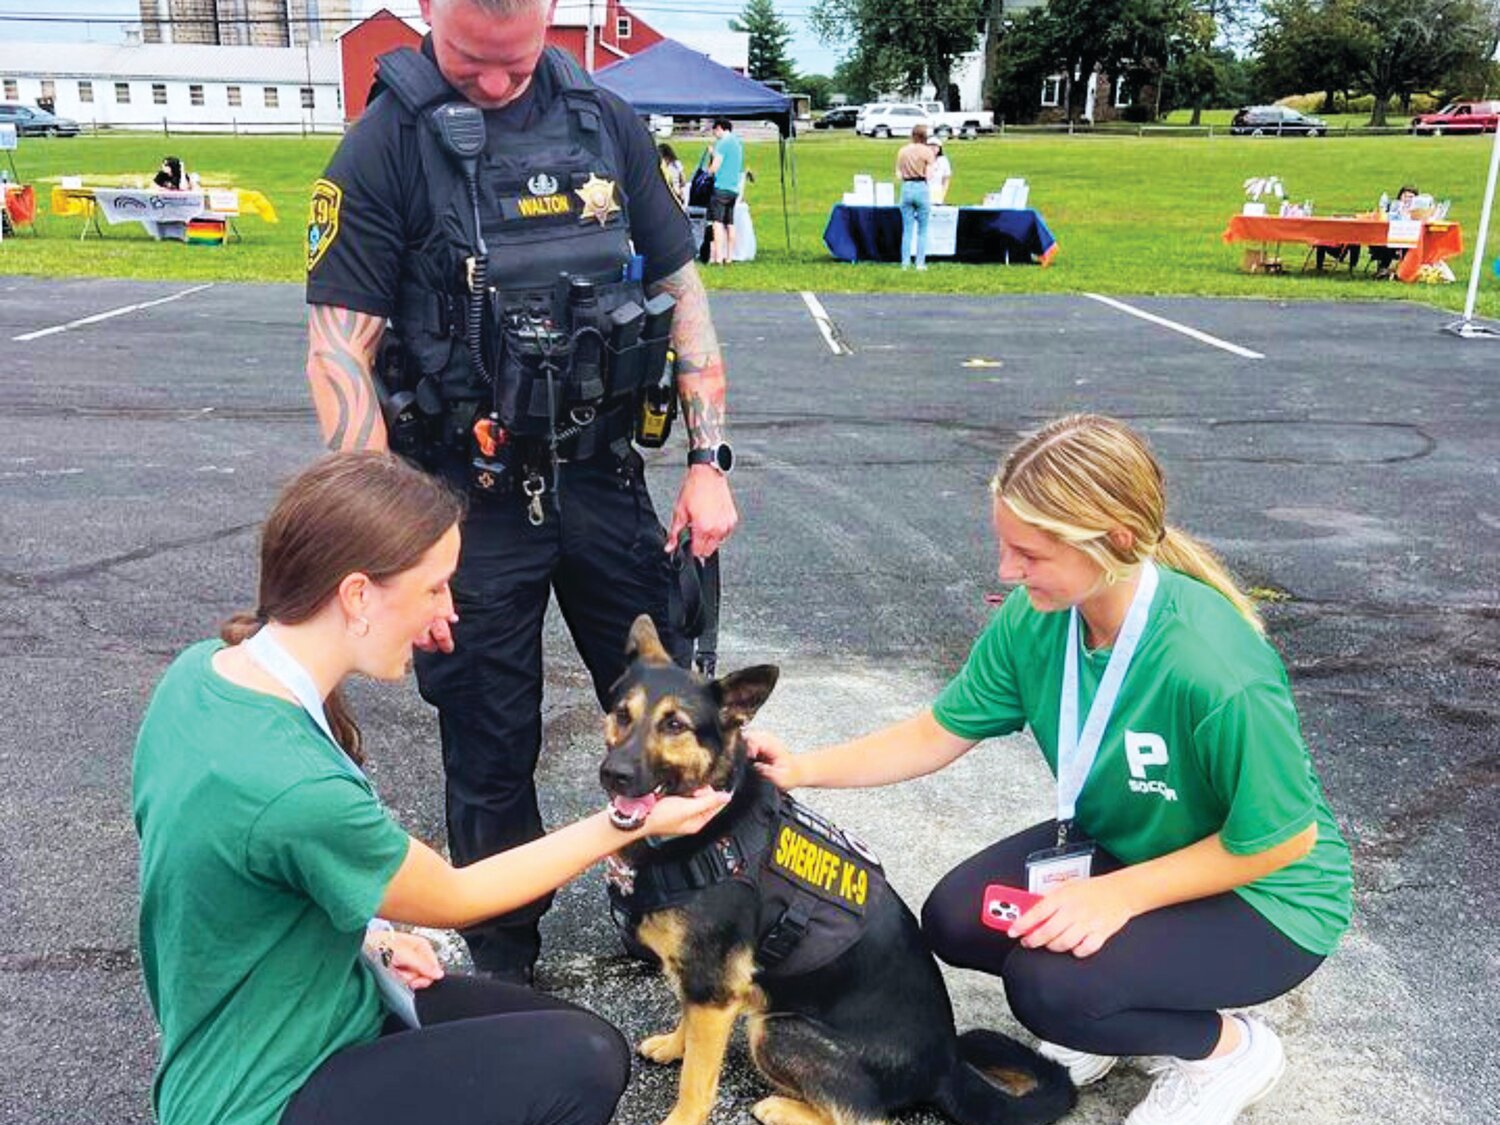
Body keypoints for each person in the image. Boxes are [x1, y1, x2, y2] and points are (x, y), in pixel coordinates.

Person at [748, 414, 1353, 1125]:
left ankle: (1224, 1049)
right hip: (1132, 847)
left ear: (1117, 541)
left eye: (1029, 552)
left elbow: (1282, 841)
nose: (1006, 570)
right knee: (955, 918)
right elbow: (938, 731)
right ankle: (1121, 1004)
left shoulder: (1214, 666)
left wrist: (1118, 897)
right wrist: (802, 766)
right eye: (1005, 545)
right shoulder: (1039, 616)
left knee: (1051, 990)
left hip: (1268, 897)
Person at [303, 0, 739, 985]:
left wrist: (710, 463)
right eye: (471, 65)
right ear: (425, 12)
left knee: (667, 708)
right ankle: (504, 960)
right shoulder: (384, 146)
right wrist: (395, 549)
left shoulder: (605, 120)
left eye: (516, 63)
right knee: (490, 743)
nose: (497, 87)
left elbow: (680, 288)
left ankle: (666, 902)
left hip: (602, 480)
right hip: (461, 506)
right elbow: (340, 350)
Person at [134, 452, 730, 1125]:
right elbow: (456, 895)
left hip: (314, 1008)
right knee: (581, 1060)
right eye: (435, 586)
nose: (450, 607)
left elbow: (231, 879)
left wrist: (369, 938)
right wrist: (629, 823)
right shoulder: (294, 786)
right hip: (265, 1092)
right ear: (358, 595)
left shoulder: (200, 676)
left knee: (567, 1031)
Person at [895, 123, 935, 270]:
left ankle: (905, 263)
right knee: (922, 230)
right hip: (921, 187)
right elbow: (929, 175)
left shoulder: (902, 151)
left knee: (907, 229)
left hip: (906, 187)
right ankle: (920, 263)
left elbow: (898, 174)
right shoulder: (927, 152)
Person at [706, 117, 743, 264]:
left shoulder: (722, 143)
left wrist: (707, 172)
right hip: (734, 188)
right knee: (730, 223)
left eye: (714, 131)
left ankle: (718, 257)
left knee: (717, 222)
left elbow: (715, 166)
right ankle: (729, 256)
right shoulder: (737, 143)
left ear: (719, 128)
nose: (714, 134)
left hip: (721, 186)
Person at [1370, 184, 1419, 279]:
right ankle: (1383, 269)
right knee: (1384, 242)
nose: (1408, 199)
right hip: (1391, 236)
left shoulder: (1418, 211)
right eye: (1405, 196)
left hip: (1410, 237)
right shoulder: (1394, 207)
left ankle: (1404, 270)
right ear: (1400, 196)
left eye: (1411, 197)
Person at [658, 141, 688, 209]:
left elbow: (683, 179)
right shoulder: (676, 163)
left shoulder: (663, 166)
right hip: (675, 193)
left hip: (670, 194)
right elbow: (683, 180)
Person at [927, 137, 952, 205]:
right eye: (930, 146)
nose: (933, 148)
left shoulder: (943, 161)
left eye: (935, 146)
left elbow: (946, 179)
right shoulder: (922, 159)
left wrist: (942, 194)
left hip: (937, 191)